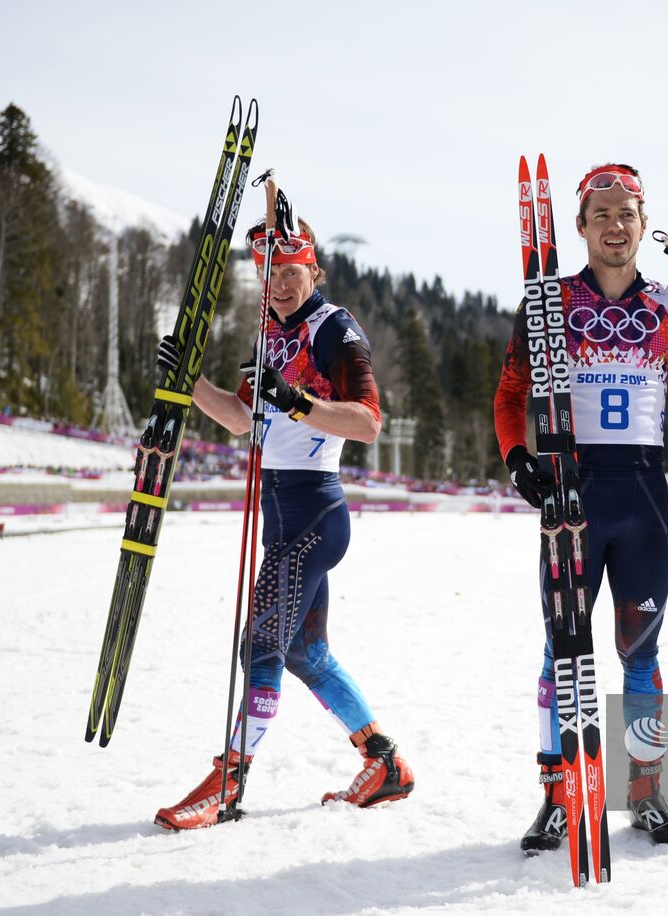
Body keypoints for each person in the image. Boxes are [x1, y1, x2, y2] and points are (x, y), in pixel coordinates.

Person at [153, 203, 413, 830]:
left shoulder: (334, 329)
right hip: (281, 515)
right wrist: (190, 382)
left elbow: (369, 421)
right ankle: (385, 764)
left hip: (315, 516)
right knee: (306, 654)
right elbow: (244, 419)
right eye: (271, 273)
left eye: (293, 269)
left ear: (314, 270)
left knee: (261, 645)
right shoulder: (267, 333)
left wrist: (296, 401)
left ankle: (228, 784)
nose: (282, 282)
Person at [493, 162, 668, 851]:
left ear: (643, 225)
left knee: (639, 651)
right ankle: (557, 796)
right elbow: (509, 394)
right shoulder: (549, 301)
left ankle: (645, 792)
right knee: (561, 650)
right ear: (582, 227)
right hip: (574, 487)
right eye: (601, 215)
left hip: (646, 491)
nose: (615, 226)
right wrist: (516, 456)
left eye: (627, 214)